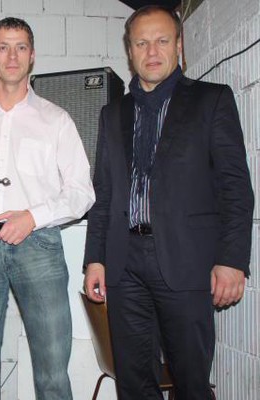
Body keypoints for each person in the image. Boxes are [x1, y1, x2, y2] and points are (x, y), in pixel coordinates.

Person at [83, 6, 253, 399]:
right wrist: (95, 259)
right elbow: (103, 192)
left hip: (187, 260)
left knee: (191, 382)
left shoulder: (211, 100)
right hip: (124, 263)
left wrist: (232, 260)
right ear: (130, 51)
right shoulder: (113, 113)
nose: (152, 51)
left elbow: (235, 187)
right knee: (133, 383)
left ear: (179, 44)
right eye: (141, 43)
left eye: (162, 40)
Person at [0, 17, 94, 400]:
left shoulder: (56, 120)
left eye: (21, 47)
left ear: (32, 55)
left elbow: (82, 192)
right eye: (3, 47)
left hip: (38, 245)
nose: (12, 56)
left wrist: (33, 217)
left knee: (52, 374)